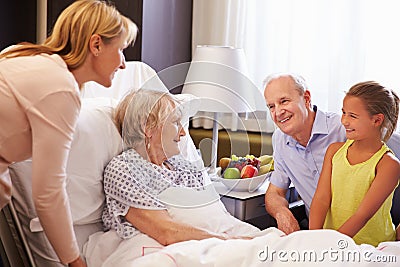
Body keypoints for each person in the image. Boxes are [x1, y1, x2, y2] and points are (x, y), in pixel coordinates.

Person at [0, 1, 137, 266]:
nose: (123, 64)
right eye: (120, 49)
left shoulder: (23, 55)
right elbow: (49, 192)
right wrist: (75, 261)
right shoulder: (60, 88)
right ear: (96, 44)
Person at [102, 89, 259, 248]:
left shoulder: (184, 167)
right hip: (178, 249)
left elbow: (215, 217)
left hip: (220, 237)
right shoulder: (124, 170)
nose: (183, 133)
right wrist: (231, 243)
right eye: (176, 122)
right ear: (147, 128)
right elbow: (167, 233)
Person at [309, 81, 400, 246]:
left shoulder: (388, 165)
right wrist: (313, 240)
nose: (344, 121)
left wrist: (331, 246)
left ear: (377, 120)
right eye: (343, 113)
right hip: (332, 241)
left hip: (371, 248)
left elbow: (362, 215)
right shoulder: (334, 151)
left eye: (352, 116)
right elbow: (321, 199)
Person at [263, 73, 346, 235]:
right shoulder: (280, 140)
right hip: (316, 235)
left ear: (306, 98)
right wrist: (282, 213)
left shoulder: (342, 128)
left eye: (284, 101)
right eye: (271, 106)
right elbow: (275, 192)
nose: (278, 112)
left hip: (359, 236)